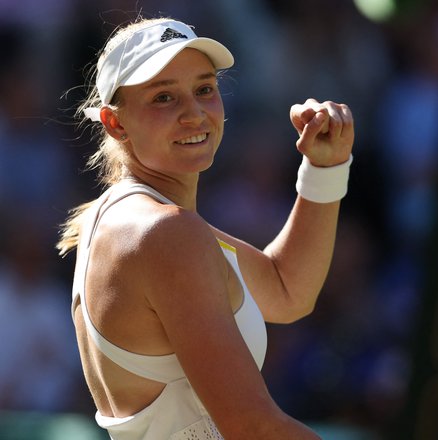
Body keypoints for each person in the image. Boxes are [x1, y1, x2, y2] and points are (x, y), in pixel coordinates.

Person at [56, 16, 354, 439]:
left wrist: (324, 168)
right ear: (114, 122)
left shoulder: (130, 221)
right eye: (164, 97)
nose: (194, 114)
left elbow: (287, 291)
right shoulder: (166, 233)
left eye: (204, 89)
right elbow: (252, 428)